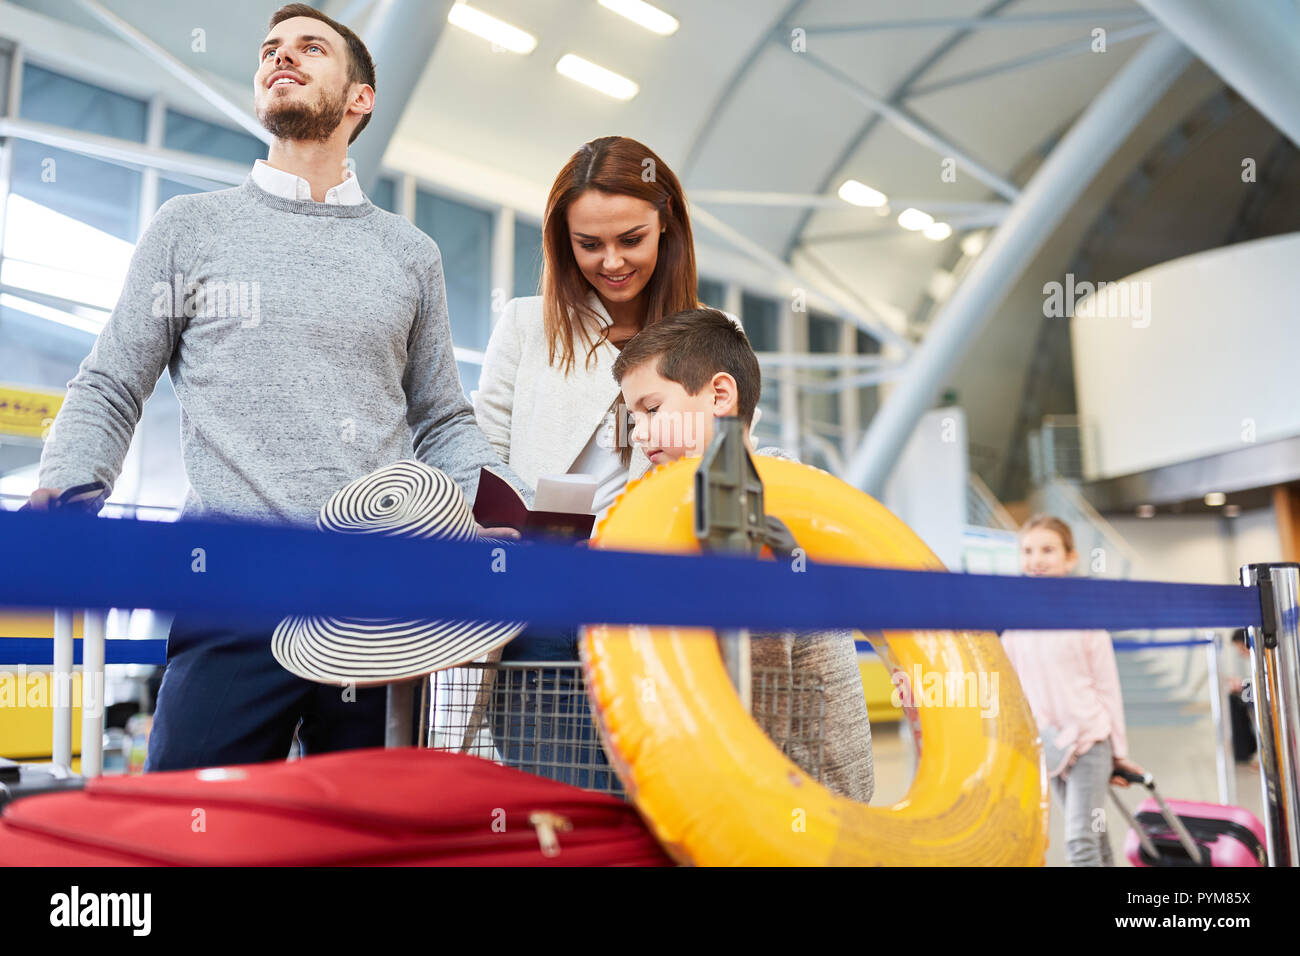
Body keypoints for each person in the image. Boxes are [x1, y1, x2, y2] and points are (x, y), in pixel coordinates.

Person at [29, 4, 527, 772]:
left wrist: (464, 522)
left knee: (365, 840)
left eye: (309, 48)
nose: (280, 58)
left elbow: (443, 420)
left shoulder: (411, 254)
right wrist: (67, 488)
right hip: (230, 582)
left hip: (380, 596)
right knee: (186, 825)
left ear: (359, 98)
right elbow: (111, 381)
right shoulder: (188, 228)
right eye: (270, 50)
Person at [611, 307, 874, 802]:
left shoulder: (757, 514)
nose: (638, 434)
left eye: (651, 409)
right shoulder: (750, 493)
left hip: (795, 810)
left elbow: (757, 697)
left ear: (719, 395)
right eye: (631, 419)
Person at [1000, 515, 1145, 866]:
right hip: (1050, 744)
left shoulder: (1086, 620)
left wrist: (1118, 752)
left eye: (1047, 550)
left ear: (1070, 558)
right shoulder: (1015, 627)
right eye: (1028, 551)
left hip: (1090, 742)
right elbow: (1011, 689)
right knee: (1094, 833)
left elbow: (1107, 688)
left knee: (1079, 839)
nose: (1036, 559)